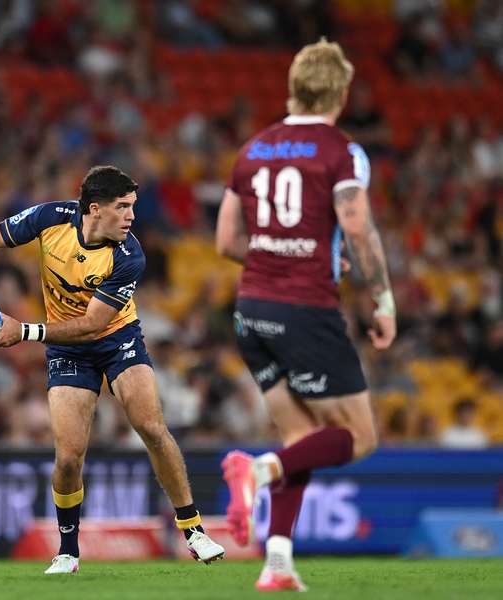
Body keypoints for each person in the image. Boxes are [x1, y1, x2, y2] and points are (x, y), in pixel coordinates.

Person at [0, 165, 225, 575]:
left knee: (150, 426)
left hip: (117, 338)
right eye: (123, 207)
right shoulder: (48, 219)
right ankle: (68, 551)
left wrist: (23, 330)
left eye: (133, 207)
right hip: (68, 350)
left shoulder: (129, 255)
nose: (131, 216)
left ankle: (193, 529)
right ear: (95, 208)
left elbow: (94, 323)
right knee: (70, 457)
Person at [215, 39, 395, 592]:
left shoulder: (253, 149)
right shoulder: (343, 152)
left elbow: (225, 240)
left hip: (252, 312)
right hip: (305, 310)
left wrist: (274, 252)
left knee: (300, 434)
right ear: (340, 94)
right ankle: (259, 469)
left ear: (293, 88)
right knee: (358, 437)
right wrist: (382, 298)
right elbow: (358, 227)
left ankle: (277, 563)